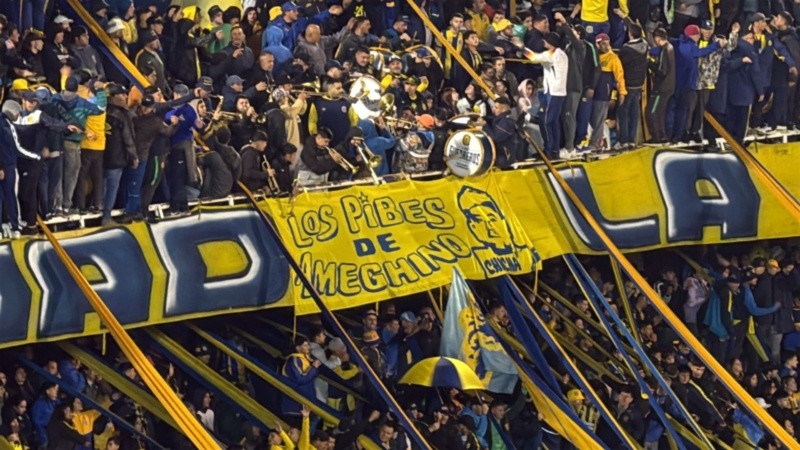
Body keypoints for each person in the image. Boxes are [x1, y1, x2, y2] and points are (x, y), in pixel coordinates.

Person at [526, 32, 568, 159]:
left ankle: (548, 151)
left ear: (550, 43)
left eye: (545, 41)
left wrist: (521, 48)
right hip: (560, 92)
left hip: (552, 93)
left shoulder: (552, 53)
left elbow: (533, 58)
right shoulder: (562, 54)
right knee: (554, 122)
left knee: (544, 121)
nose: (543, 43)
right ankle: (555, 150)